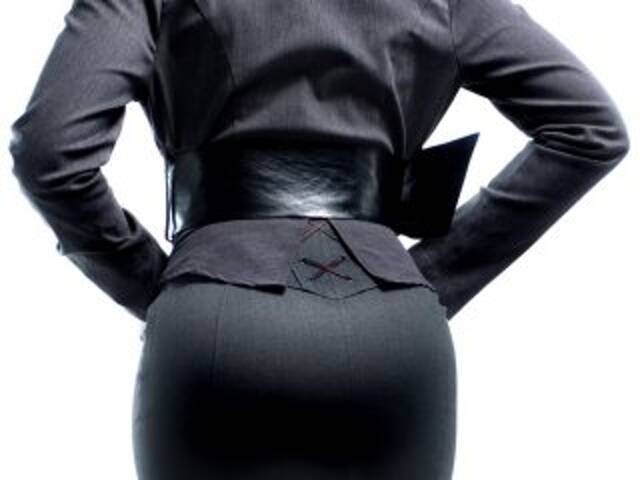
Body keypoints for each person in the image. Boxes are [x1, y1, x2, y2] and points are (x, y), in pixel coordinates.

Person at [7, 0, 629, 479]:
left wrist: (160, 282)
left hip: (215, 326)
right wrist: (431, 274)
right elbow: (590, 128)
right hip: (397, 334)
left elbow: (49, 152)